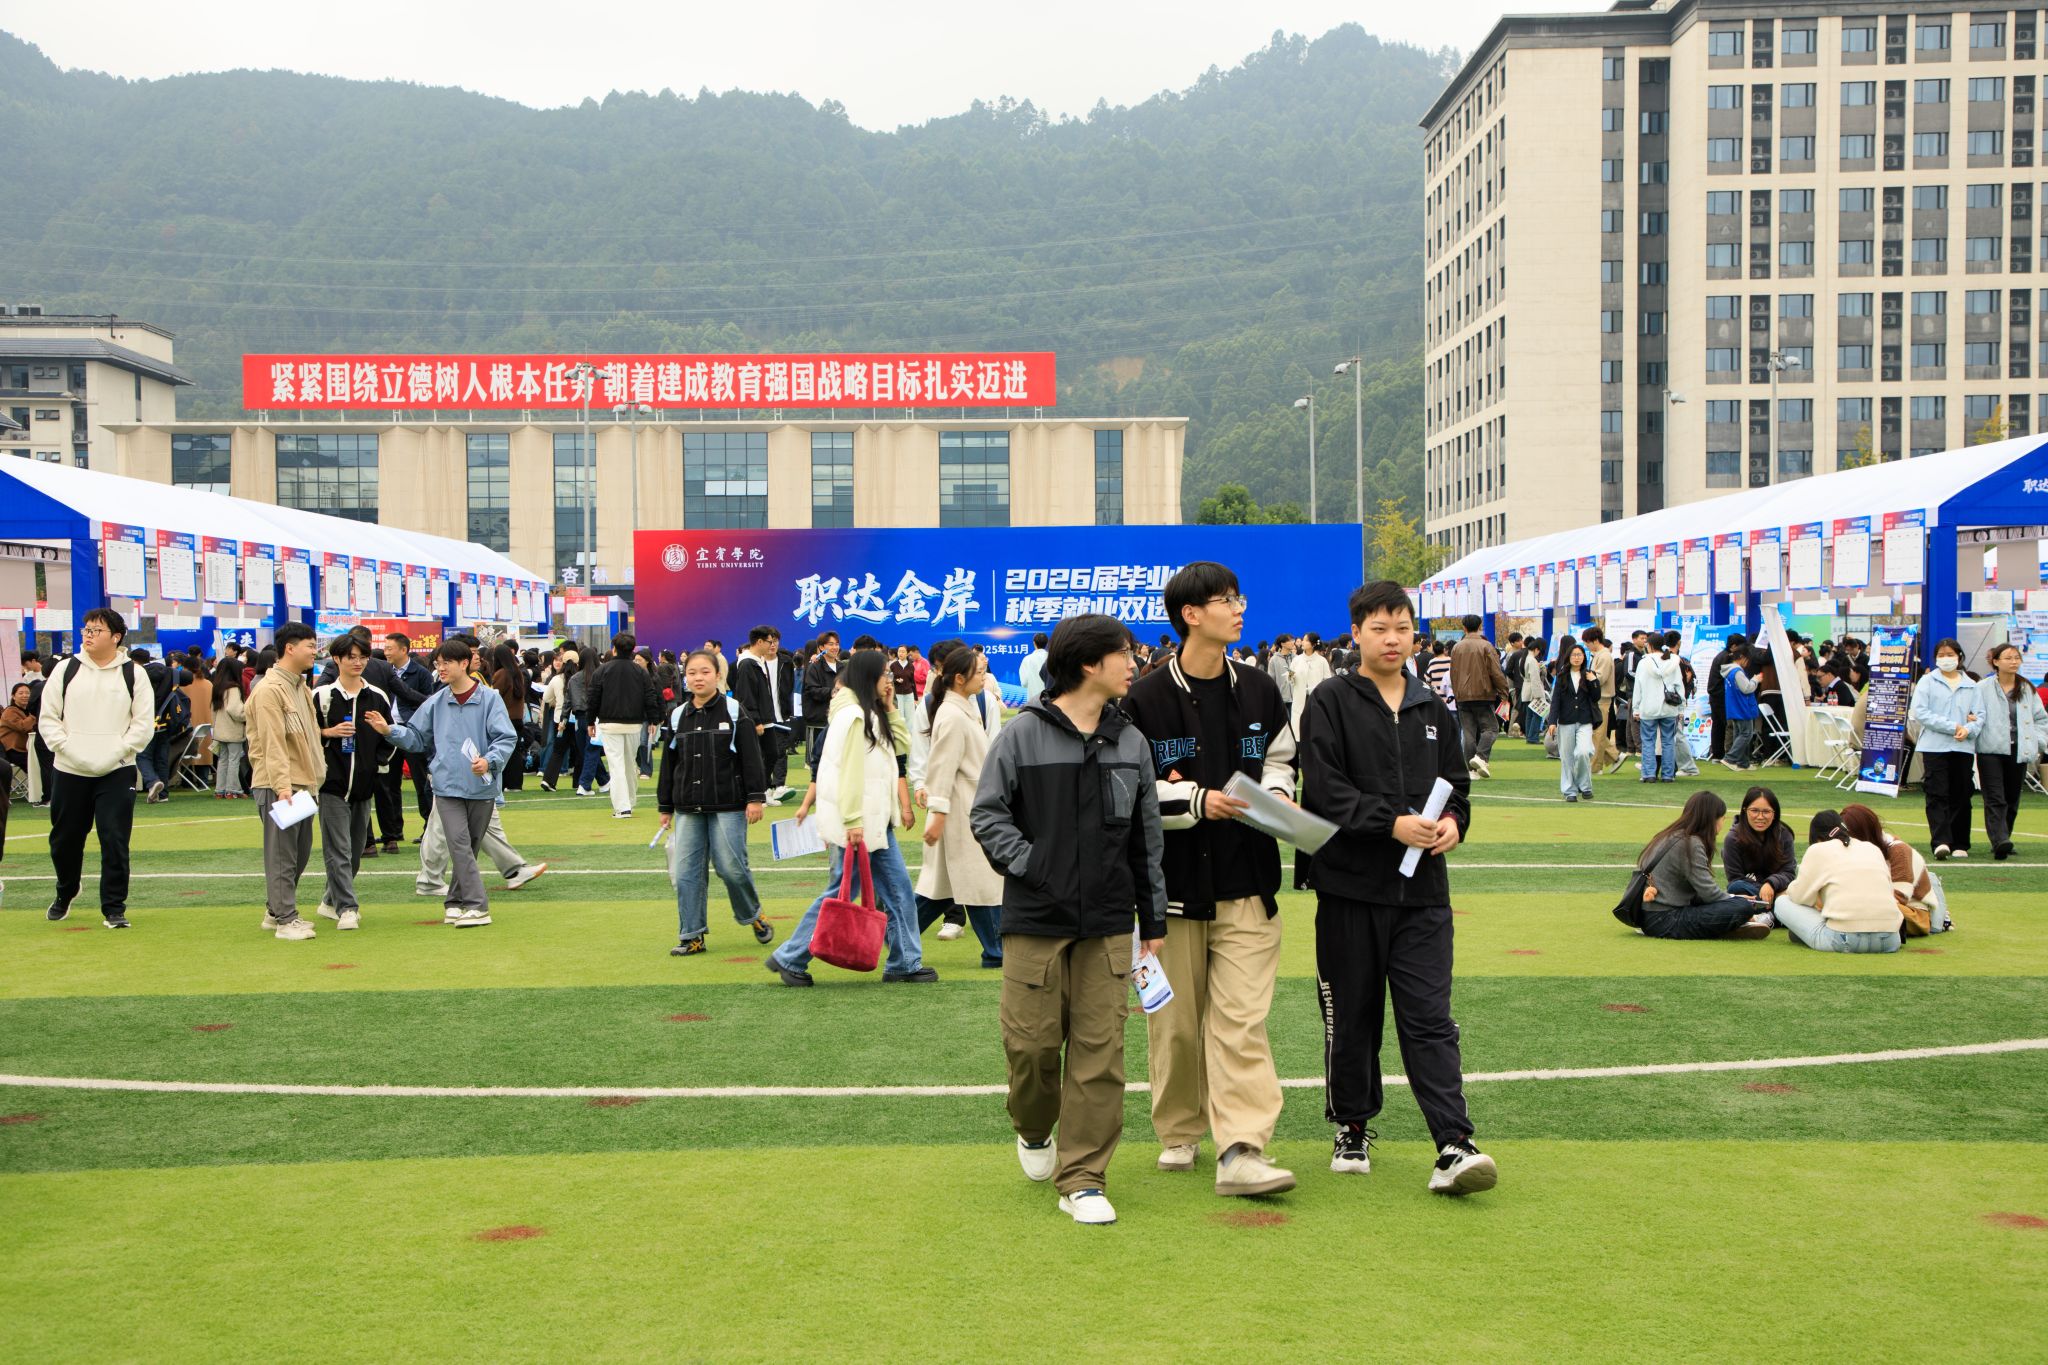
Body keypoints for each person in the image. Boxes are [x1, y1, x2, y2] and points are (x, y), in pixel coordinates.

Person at [971, 613, 1167, 1226]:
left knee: (1101, 1054)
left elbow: (1146, 838)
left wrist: (1152, 919)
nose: (1133, 663)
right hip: (1036, 917)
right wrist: (1033, 864)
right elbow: (988, 814)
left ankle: (1083, 1178)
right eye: (1124, 653)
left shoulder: (1131, 742)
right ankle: (1033, 1128)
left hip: (1109, 922)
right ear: (1088, 663)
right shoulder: (1022, 735)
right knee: (1030, 1049)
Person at [1299, 582, 1492, 1196]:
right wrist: (1390, 822)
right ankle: (1352, 1125)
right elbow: (1323, 790)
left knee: (1430, 1019)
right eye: (1380, 628)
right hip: (1350, 889)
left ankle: (1454, 1143)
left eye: (1403, 628)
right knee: (1351, 1017)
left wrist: (1453, 823)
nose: (1392, 639)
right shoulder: (1330, 700)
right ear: (1356, 633)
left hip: (1423, 895)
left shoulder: (1432, 707)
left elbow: (1457, 785)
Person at [1120, 562, 1300, 1198]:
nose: (1239, 608)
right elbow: (1132, 792)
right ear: (1190, 615)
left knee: (1240, 1022)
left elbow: (1280, 760)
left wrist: (1274, 795)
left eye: (1239, 597)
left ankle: (1243, 1146)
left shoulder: (1259, 688)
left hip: (1249, 883)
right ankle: (1179, 1128)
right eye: (1227, 600)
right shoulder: (1144, 699)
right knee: (1174, 1025)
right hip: (1171, 894)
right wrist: (1196, 800)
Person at [767, 648, 930, 985]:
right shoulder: (855, 716)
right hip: (862, 823)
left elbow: (902, 745)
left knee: (895, 890)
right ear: (870, 678)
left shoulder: (863, 711)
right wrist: (854, 820)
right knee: (852, 892)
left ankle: (905, 961)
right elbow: (851, 772)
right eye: (884, 674)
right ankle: (791, 956)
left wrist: (889, 707)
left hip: (872, 821)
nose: (889, 680)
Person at [367, 640, 518, 928]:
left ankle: (455, 902)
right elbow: (416, 737)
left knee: (469, 847)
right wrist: (389, 730)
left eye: (446, 662)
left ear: (464, 663)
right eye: (438, 663)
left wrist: (489, 760)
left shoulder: (489, 699)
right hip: (446, 785)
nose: (441, 668)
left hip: (481, 786)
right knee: (459, 844)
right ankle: (477, 905)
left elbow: (506, 737)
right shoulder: (436, 701)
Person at [38, 608, 155, 928]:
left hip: (117, 769)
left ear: (116, 637)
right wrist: (68, 749)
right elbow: (48, 718)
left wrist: (117, 751)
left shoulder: (134, 673)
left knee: (114, 837)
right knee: (64, 839)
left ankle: (114, 907)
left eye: (96, 630)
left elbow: (142, 725)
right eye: (86, 629)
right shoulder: (66, 669)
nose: (88, 635)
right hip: (69, 767)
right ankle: (66, 890)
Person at [656, 649, 772, 956]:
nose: (698, 678)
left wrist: (755, 798)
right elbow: (669, 763)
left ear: (718, 675)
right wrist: (665, 806)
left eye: (705, 672)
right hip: (688, 807)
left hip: (729, 805)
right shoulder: (677, 715)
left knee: (730, 868)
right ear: (685, 677)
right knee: (686, 873)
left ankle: (753, 914)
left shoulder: (734, 711)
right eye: (692, 672)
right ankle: (692, 936)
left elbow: (751, 758)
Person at [915, 642, 1007, 970]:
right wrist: (938, 813)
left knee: (942, 889)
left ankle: (891, 937)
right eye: (979, 673)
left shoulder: (963, 707)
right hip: (959, 810)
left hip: (967, 807)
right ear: (958, 678)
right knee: (977, 882)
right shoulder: (953, 714)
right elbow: (942, 768)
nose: (984, 677)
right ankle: (996, 951)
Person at [245, 621, 329, 941]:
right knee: (282, 854)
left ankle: (275, 909)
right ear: (290, 648)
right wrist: (282, 787)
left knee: (300, 852)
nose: (314, 652)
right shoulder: (269, 690)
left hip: (303, 784)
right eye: (310, 646)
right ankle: (285, 918)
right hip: (280, 786)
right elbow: (272, 744)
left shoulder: (300, 687)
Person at [311, 634, 394, 932]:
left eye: (363, 657)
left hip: (363, 785)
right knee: (339, 849)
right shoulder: (321, 696)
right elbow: (304, 736)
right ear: (337, 659)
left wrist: (376, 764)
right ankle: (347, 908)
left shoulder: (377, 696)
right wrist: (328, 732)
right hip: (330, 785)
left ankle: (329, 900)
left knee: (356, 850)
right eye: (351, 657)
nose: (358, 662)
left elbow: (390, 736)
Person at [1635, 791, 1772, 940]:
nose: (1723, 822)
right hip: (1666, 920)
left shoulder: (1669, 835)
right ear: (1712, 819)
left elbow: (1699, 894)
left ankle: (1730, 925)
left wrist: (1732, 897)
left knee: (1738, 903)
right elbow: (1709, 893)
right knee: (1743, 907)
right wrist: (1736, 900)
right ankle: (1736, 924)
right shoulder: (1690, 843)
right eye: (1722, 818)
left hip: (1650, 917)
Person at [1769, 810, 1904, 953]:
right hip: (1891, 940)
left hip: (1843, 940)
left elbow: (1800, 897)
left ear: (1817, 837)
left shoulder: (1817, 849)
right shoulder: (1872, 848)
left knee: (1782, 902)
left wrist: (1788, 890)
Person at [1910, 638, 1983, 860]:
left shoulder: (1972, 684)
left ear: (1959, 656)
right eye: (1941, 655)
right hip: (1934, 746)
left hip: (1963, 746)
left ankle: (1960, 842)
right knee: (1936, 792)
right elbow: (1921, 712)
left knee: (1962, 793)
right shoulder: (1927, 682)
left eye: (1950, 654)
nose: (1946, 659)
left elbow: (1980, 715)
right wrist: (1953, 727)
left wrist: (1968, 729)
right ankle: (1940, 841)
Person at [1976, 642, 2047, 861]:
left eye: (2016, 658)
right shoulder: (1983, 687)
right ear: (1996, 662)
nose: (2014, 662)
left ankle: (2004, 836)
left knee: (2012, 797)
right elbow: (1974, 714)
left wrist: (2037, 742)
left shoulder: (2027, 688)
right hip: (1990, 749)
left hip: (2019, 749)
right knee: (1995, 796)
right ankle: (1999, 840)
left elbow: (2040, 719)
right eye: (2008, 658)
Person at [587, 632, 658, 818]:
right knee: (629, 763)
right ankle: (629, 802)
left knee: (616, 765)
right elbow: (650, 696)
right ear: (633, 650)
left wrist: (590, 721)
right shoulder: (640, 672)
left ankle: (622, 807)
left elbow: (593, 697)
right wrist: (653, 719)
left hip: (609, 723)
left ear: (614, 649)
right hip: (634, 723)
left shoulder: (602, 670)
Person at [731, 625, 796, 801]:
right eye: (769, 641)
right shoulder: (747, 663)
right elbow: (747, 695)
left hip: (768, 718)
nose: (772, 645)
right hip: (757, 720)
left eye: (774, 641)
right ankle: (757, 793)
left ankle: (764, 790)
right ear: (759, 642)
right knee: (761, 756)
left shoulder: (758, 661)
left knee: (772, 754)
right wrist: (756, 720)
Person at [381, 633, 435, 840]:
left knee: (421, 782)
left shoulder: (421, 673)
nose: (386, 652)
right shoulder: (385, 671)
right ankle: (394, 831)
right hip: (389, 731)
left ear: (403, 650)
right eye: (385, 648)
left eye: (390, 648)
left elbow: (428, 703)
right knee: (390, 783)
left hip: (413, 732)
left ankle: (429, 829)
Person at [1449, 614, 1512, 779]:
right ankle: (1481, 757)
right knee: (1491, 728)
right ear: (1479, 626)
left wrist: (1457, 693)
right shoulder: (1486, 646)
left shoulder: (1456, 648)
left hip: (1462, 696)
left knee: (1468, 733)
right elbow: (1496, 672)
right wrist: (1504, 692)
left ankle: (1472, 770)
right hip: (1483, 694)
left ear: (1464, 627)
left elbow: (1453, 673)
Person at [1546, 639, 1601, 802]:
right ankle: (1569, 790)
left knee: (1583, 752)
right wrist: (1552, 721)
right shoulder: (1562, 676)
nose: (1577, 658)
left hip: (1585, 720)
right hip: (1566, 721)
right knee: (1567, 757)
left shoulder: (1589, 674)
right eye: (1574, 655)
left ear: (1584, 657)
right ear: (1568, 657)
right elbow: (1556, 700)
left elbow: (1596, 697)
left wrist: (1594, 681)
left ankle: (1585, 786)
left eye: (1580, 655)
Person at [1722, 785, 1796, 904]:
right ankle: (1777, 903)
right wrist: (1764, 890)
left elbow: (1789, 872)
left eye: (1766, 812)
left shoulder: (1784, 834)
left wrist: (1771, 883)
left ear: (1774, 813)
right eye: (1754, 811)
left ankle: (1773, 905)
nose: (1760, 817)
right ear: (1745, 810)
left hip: (1778, 887)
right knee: (1736, 887)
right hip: (1752, 891)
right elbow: (1735, 879)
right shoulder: (1732, 838)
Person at [1631, 630, 1687, 783]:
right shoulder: (1673, 661)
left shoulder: (1643, 663)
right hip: (1669, 707)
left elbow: (1638, 688)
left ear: (1649, 646)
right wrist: (1681, 708)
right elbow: (1679, 686)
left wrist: (1636, 708)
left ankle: (1649, 774)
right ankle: (1668, 775)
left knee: (1648, 741)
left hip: (1648, 708)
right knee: (1668, 741)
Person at [801, 630, 842, 773]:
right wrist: (833, 692)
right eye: (830, 644)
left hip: (839, 720)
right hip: (818, 720)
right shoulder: (814, 667)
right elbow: (812, 690)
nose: (835, 647)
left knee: (838, 761)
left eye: (837, 644)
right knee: (817, 764)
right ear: (821, 647)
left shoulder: (843, 667)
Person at [208, 659, 248, 800]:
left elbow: (213, 710)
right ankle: (232, 790)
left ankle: (220, 790)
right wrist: (247, 715)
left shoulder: (217, 687)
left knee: (223, 759)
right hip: (233, 729)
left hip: (220, 729)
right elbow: (234, 709)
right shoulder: (234, 688)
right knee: (234, 760)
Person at [1585, 628, 1622, 775]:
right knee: (1596, 732)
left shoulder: (1604, 656)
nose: (1587, 646)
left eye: (1587, 643)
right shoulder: (1599, 655)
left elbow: (1600, 678)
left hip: (1602, 698)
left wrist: (1586, 677)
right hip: (1597, 698)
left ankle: (1595, 767)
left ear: (1595, 641)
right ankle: (1615, 756)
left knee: (1598, 733)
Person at [1721, 648, 1762, 770]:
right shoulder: (1737, 672)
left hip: (1734, 707)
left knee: (1739, 734)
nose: (1747, 663)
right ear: (1742, 657)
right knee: (1746, 734)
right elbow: (1747, 688)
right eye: (1747, 660)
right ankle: (1730, 758)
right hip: (1742, 707)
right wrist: (1755, 680)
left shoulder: (1729, 672)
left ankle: (1742, 762)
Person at [1705, 632, 1744, 761]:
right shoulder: (1727, 658)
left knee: (1718, 725)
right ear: (1734, 646)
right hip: (1721, 696)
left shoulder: (1722, 656)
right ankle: (1728, 754)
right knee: (1727, 725)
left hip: (1715, 695)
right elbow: (1730, 679)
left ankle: (1718, 754)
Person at [1518, 635, 1549, 745]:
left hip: (1526, 688)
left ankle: (1530, 736)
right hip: (1533, 690)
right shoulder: (1532, 660)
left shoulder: (1525, 658)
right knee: (1537, 714)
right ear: (1536, 649)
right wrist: (1538, 695)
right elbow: (1535, 678)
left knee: (1530, 715)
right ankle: (1533, 737)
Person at [1, 682, 35, 777]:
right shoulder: (9, 711)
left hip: (27, 749)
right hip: (13, 750)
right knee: (35, 766)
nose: (25, 695)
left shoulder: (29, 711)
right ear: (13, 696)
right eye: (21, 693)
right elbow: (22, 727)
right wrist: (34, 715)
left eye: (27, 693)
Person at [1018, 632, 1050, 706]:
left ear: (1034, 643)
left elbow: (1024, 683)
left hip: (1034, 702)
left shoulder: (1027, 659)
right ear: (1047, 643)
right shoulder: (1052, 658)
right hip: (1051, 701)